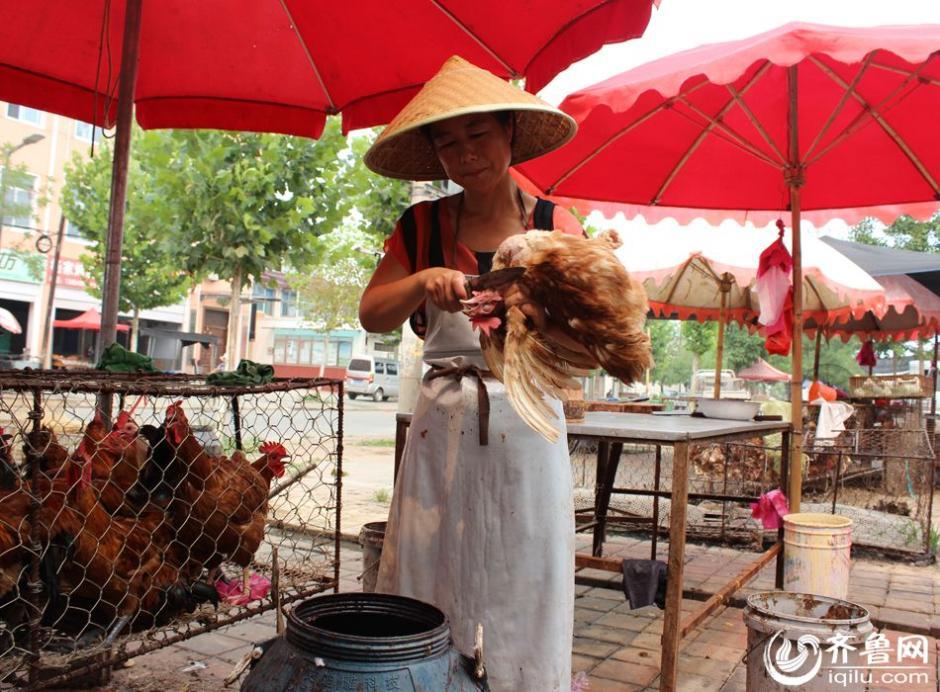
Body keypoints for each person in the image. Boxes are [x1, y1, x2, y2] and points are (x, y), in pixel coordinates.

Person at [359, 56, 587, 691]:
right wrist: (420, 281)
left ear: (510, 134)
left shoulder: (554, 226)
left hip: (529, 419)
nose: (466, 154)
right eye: (449, 142)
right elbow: (373, 312)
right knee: (431, 560)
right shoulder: (422, 224)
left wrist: (542, 313)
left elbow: (592, 342)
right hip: (443, 423)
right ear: (435, 154)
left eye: (479, 136)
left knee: (527, 566)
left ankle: (527, 680)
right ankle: (424, 679)